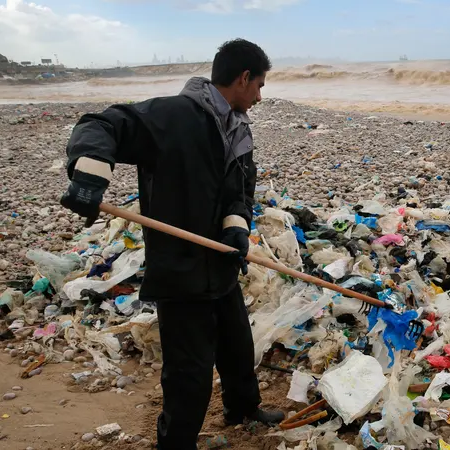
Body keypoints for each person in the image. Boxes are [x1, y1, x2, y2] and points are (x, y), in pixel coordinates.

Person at [59, 39, 284, 449]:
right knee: (189, 370)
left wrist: (236, 228)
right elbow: (100, 124)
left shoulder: (238, 129)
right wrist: (89, 174)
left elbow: (240, 192)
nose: (260, 96)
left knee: (237, 345)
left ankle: (243, 408)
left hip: (219, 262)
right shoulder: (172, 115)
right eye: (260, 86)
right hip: (180, 269)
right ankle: (176, 443)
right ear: (244, 78)